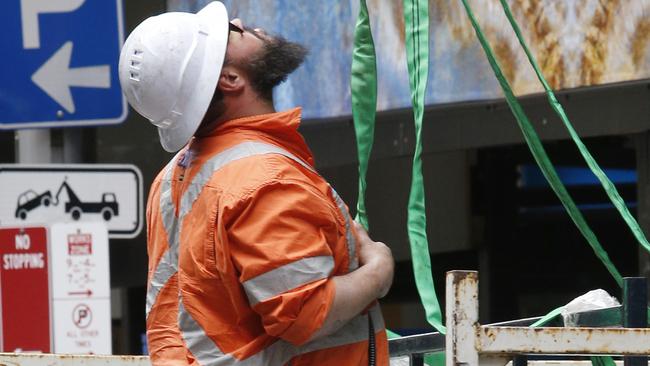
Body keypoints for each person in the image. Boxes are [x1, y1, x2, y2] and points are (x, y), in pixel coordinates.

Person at [118, 2, 394, 365]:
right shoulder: (265, 180)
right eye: (232, 34)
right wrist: (379, 270)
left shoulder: (175, 176)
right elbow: (306, 313)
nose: (240, 22)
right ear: (230, 79)